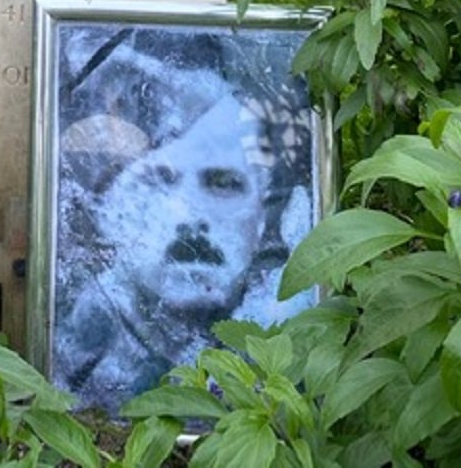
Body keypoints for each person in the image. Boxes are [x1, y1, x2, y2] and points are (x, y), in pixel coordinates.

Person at [53, 61, 311, 414]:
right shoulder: (74, 350)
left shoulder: (295, 350)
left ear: (267, 214)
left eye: (223, 184)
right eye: (160, 179)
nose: (188, 215)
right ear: (112, 206)